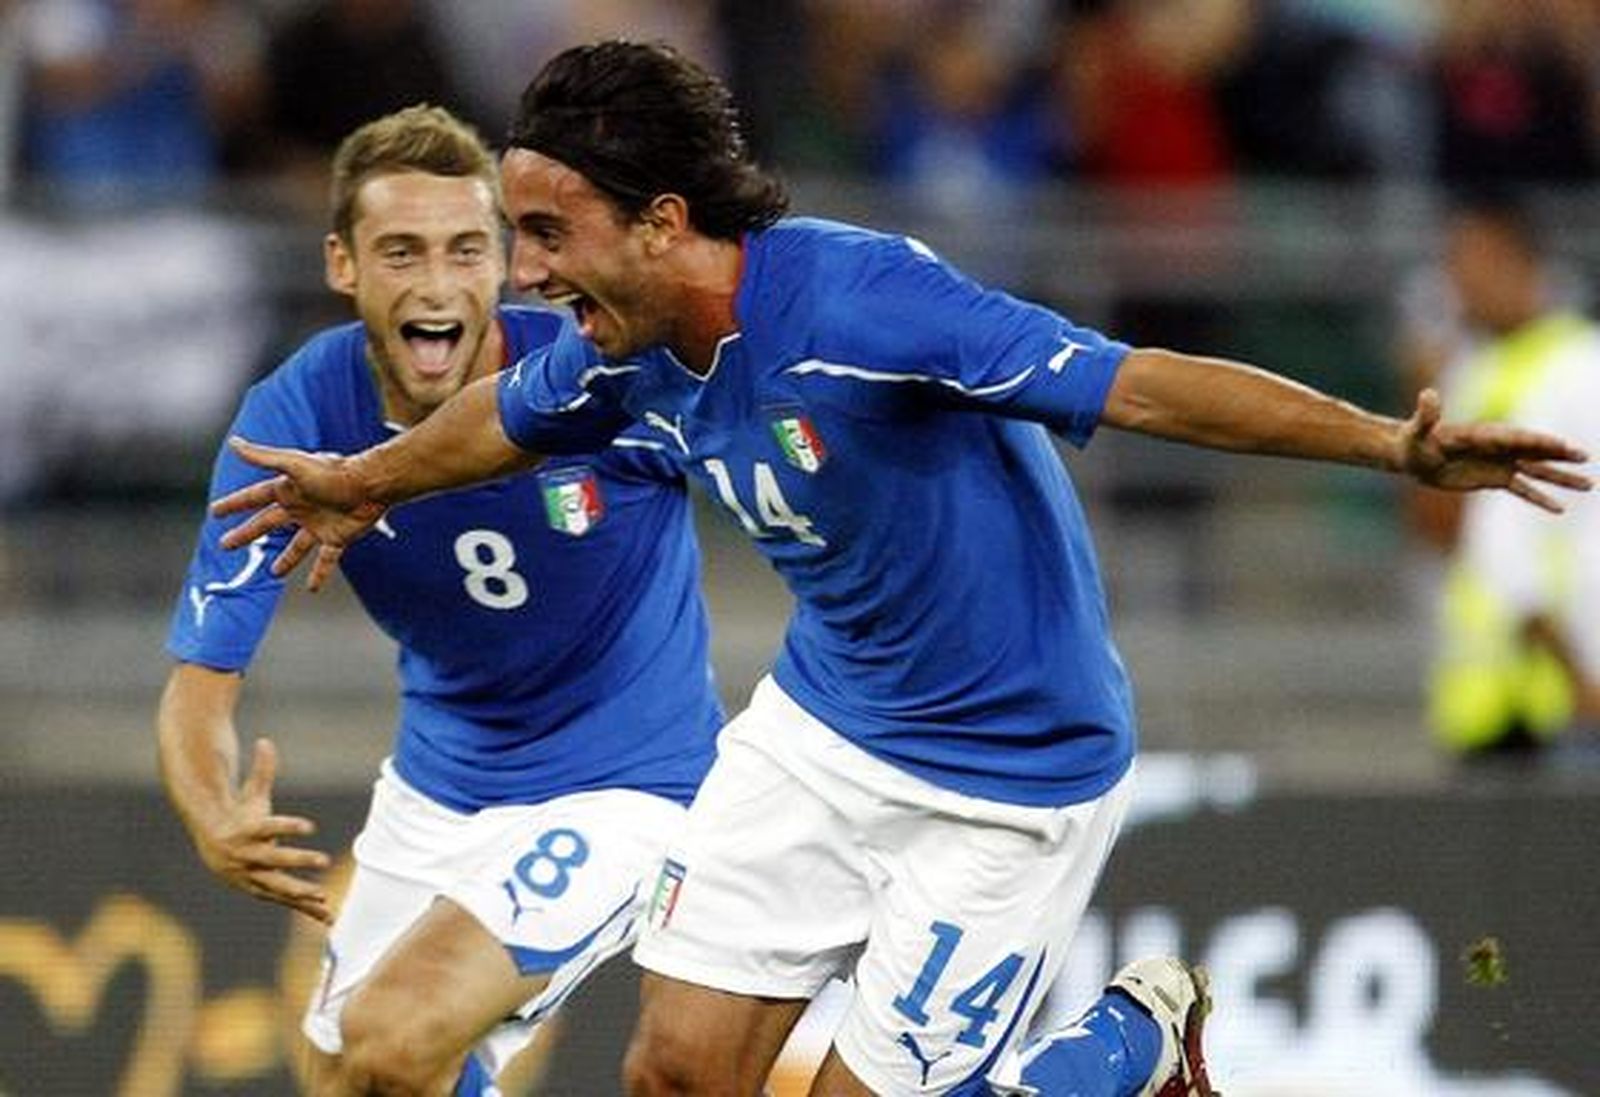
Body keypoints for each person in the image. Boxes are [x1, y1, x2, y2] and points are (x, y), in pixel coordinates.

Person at [207, 42, 1591, 1097]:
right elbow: (506, 420)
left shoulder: (862, 308)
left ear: (663, 222)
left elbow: (1140, 385)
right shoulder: (619, 357)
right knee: (671, 1071)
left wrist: (1386, 446)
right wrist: (364, 482)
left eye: (550, 236)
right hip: (820, 734)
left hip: (1011, 773)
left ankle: (1125, 1045)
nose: (525, 276)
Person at [156, 102, 723, 1095]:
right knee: (351, 1073)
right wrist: (211, 812)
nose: (435, 283)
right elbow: (201, 679)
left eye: (465, 249)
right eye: (401, 251)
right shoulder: (296, 420)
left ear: (502, 260)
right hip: (436, 788)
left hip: (625, 786)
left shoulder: (603, 379)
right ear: (343, 264)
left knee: (394, 1034)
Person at [1422, 192, 1600, 754]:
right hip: (1489, 693)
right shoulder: (1470, 371)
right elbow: (1440, 525)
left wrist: (1575, 668)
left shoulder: (1576, 367)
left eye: (1471, 261)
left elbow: (1508, 532)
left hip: (1564, 689)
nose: (1458, 283)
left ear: (1520, 261)